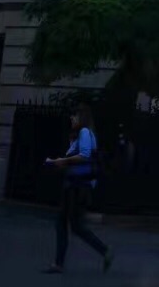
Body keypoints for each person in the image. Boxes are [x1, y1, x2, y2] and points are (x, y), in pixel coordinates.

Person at [44, 104, 113, 274]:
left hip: (77, 187)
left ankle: (61, 263)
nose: (71, 118)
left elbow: (84, 156)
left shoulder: (84, 133)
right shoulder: (82, 134)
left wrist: (61, 161)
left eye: (74, 116)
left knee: (69, 224)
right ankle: (102, 251)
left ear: (82, 117)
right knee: (69, 225)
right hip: (75, 185)